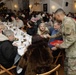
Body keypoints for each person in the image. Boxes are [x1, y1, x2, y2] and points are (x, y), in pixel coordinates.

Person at [54, 9, 76, 75]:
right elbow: (60, 33)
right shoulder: (64, 21)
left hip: (73, 51)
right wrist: (50, 36)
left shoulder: (67, 22)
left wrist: (59, 46)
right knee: (66, 68)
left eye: (55, 17)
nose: (55, 19)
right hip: (69, 50)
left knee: (72, 71)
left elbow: (71, 39)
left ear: (58, 15)